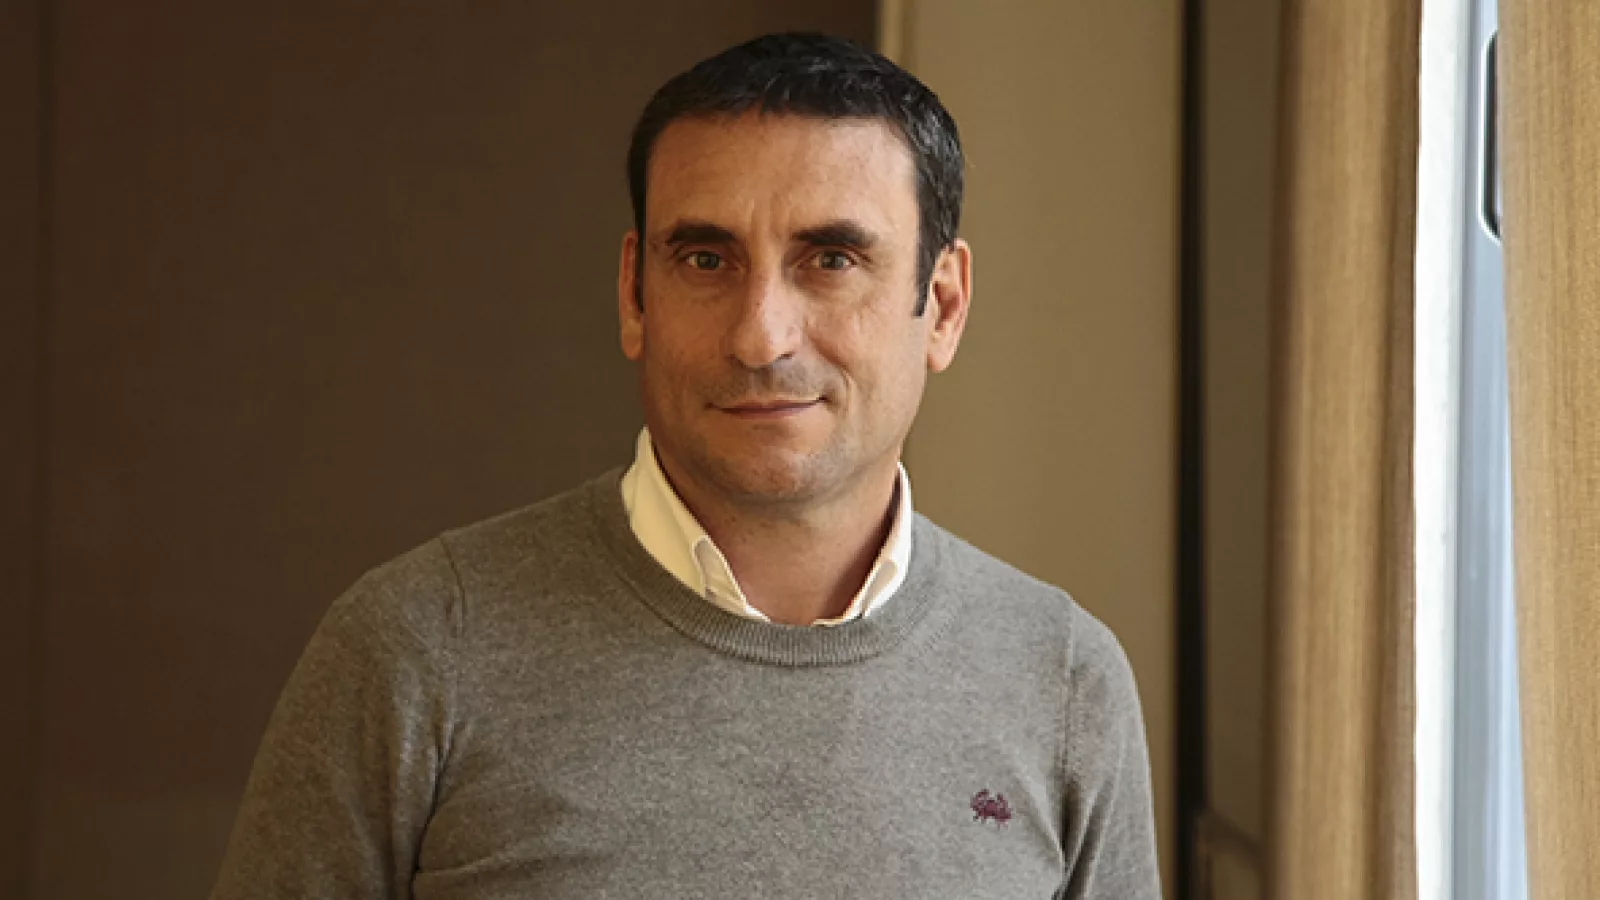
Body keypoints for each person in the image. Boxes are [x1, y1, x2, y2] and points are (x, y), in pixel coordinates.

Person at [210, 32, 1160, 899]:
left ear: (942, 306)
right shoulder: (416, 648)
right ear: (634, 293)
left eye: (831, 259)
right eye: (707, 260)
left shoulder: (1064, 680)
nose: (760, 336)